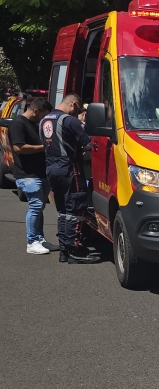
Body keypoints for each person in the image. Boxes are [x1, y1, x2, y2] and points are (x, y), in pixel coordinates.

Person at [40, 94, 101, 264]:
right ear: (73, 104)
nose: (77, 114)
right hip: (69, 168)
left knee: (63, 211)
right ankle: (76, 250)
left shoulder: (44, 120)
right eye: (78, 111)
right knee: (76, 208)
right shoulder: (69, 121)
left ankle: (65, 249)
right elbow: (88, 144)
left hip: (51, 168)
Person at [9, 96, 60, 255]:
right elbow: (19, 148)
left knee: (40, 207)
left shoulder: (34, 123)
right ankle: (32, 242)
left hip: (40, 172)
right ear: (36, 110)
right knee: (36, 206)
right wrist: (43, 147)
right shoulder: (18, 124)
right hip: (27, 174)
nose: (45, 119)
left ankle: (40, 239)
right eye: (44, 115)